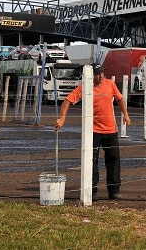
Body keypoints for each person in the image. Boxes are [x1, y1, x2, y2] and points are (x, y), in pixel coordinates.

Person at [54, 62, 131, 201]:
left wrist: (126, 114)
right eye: (98, 73)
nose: (101, 76)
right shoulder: (84, 88)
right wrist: (62, 118)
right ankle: (92, 191)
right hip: (93, 131)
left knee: (113, 160)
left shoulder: (110, 84)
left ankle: (114, 190)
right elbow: (67, 101)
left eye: (102, 73)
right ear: (92, 75)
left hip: (110, 130)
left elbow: (120, 99)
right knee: (92, 161)